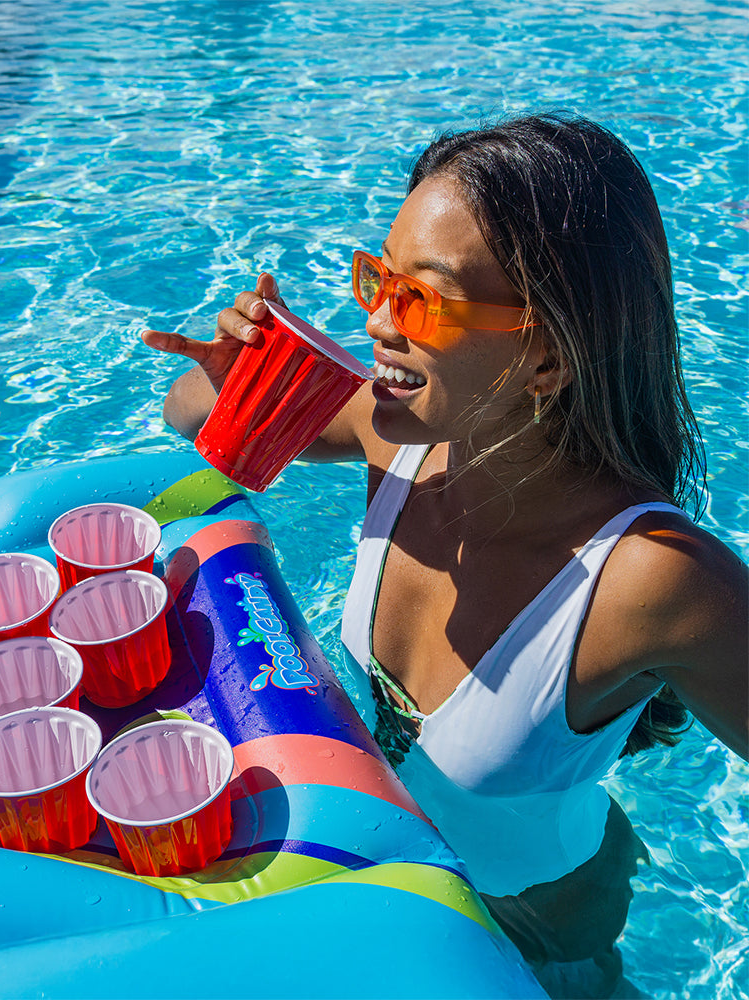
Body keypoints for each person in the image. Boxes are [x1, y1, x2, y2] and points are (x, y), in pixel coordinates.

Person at [141, 112, 748, 998]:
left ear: (545, 356)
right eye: (377, 279)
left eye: (420, 297)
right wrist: (244, 367)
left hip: (544, 921)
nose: (379, 321)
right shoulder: (406, 445)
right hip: (398, 876)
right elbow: (191, 417)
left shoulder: (653, 579)